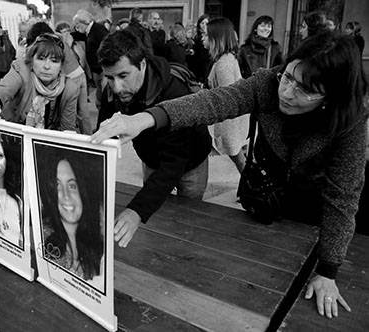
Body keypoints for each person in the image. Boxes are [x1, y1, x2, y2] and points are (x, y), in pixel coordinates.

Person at [91, 32, 368, 320]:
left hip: (314, 208)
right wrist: (145, 119)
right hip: (265, 197)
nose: (286, 92)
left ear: (330, 97)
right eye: (287, 77)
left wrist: (328, 269)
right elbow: (213, 102)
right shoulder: (268, 83)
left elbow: (343, 196)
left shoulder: (350, 120)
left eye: (305, 90)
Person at [97, 30, 211, 248]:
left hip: (191, 162)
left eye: (123, 76)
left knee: (189, 218)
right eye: (109, 78)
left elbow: (174, 163)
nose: (117, 87)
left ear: (141, 65)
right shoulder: (111, 91)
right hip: (150, 157)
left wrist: (137, 211)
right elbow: (103, 134)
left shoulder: (175, 92)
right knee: (156, 213)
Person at [0, 33, 78, 131]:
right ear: (31, 60)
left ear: (61, 65)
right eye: (41, 59)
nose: (47, 66)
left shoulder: (70, 88)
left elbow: (67, 128)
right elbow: (2, 89)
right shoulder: (22, 71)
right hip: (14, 134)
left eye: (54, 61)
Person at [39, 147, 104, 283]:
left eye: (72, 186)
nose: (65, 196)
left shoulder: (102, 248)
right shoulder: (45, 241)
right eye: (57, 186)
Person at [204, 17, 248, 173]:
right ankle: (249, 189)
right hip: (233, 121)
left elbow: (228, 98)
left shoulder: (224, 64)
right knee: (239, 159)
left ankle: (251, 190)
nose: (203, 38)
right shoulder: (226, 58)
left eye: (205, 35)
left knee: (239, 159)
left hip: (230, 123)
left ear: (216, 39)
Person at [55, 21, 94, 134]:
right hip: (73, 77)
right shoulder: (62, 42)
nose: (67, 34)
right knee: (78, 113)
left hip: (75, 77)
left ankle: (86, 138)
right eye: (64, 32)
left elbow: (82, 61)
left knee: (79, 113)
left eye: (68, 31)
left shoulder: (75, 44)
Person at [73, 9, 109, 109]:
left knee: (103, 95)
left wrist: (101, 67)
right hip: (97, 70)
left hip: (102, 69)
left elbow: (107, 48)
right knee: (100, 93)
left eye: (77, 24)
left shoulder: (98, 30)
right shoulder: (91, 30)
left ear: (84, 22)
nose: (76, 28)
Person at [188, 14, 212, 86]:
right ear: (199, 25)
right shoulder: (197, 38)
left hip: (207, 65)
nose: (204, 25)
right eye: (202, 23)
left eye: (206, 23)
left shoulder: (211, 38)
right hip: (198, 66)